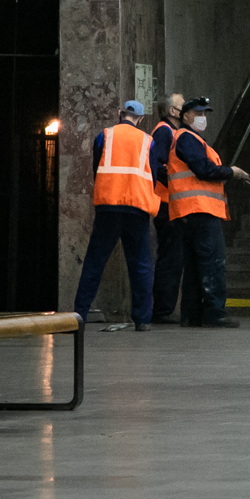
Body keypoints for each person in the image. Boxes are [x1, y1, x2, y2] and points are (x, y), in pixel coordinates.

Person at [73, 101, 161, 330]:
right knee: (140, 264)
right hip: (137, 207)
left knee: (94, 262)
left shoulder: (105, 135)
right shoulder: (147, 141)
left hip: (108, 206)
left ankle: (78, 316)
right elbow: (152, 174)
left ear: (120, 114)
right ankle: (142, 320)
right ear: (140, 119)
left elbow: (96, 168)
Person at [166, 96, 250, 327]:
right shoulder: (188, 138)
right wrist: (231, 172)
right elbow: (203, 169)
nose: (203, 118)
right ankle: (215, 314)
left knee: (195, 266)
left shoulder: (187, 139)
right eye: (199, 113)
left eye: (205, 114)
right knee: (212, 262)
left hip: (189, 211)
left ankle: (192, 315)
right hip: (200, 210)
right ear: (185, 116)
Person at [148, 92, 187, 323]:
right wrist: (178, 184)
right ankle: (162, 311)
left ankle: (164, 309)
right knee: (170, 258)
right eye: (183, 105)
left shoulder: (170, 132)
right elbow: (159, 165)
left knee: (172, 257)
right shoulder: (165, 131)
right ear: (173, 111)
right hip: (166, 204)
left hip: (169, 203)